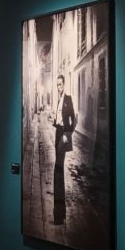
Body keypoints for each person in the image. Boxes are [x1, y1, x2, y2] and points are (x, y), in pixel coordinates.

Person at [50, 74, 76, 225]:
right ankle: (60, 213)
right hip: (57, 133)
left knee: (57, 170)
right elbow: (58, 119)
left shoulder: (68, 99)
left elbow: (73, 118)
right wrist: (53, 120)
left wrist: (68, 133)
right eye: (57, 85)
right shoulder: (58, 100)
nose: (58, 87)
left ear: (64, 84)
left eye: (60, 84)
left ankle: (59, 215)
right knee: (58, 171)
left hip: (64, 136)